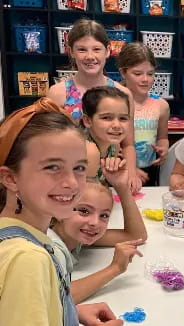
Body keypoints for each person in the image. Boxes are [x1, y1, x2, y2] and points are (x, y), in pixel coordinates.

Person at [0, 98, 122, 325]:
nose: (72, 183)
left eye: (79, 168)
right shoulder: (28, 260)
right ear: (10, 178)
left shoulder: (22, 236)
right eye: (52, 167)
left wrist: (66, 310)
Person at [46, 18, 141, 193]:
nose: (90, 56)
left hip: (106, 182)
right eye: (82, 49)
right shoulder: (58, 93)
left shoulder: (123, 94)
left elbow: (128, 143)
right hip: (66, 183)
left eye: (97, 49)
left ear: (108, 51)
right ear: (71, 52)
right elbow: (49, 145)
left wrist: (131, 173)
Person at [49, 171, 147, 303]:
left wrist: (122, 188)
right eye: (84, 211)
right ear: (59, 211)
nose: (95, 223)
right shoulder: (50, 249)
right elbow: (55, 299)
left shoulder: (74, 234)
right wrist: (115, 268)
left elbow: (136, 236)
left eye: (104, 215)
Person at [117, 42, 169, 186]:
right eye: (138, 74)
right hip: (118, 169)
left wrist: (163, 148)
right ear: (123, 72)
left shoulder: (161, 105)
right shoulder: (113, 103)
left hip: (149, 171)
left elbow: (162, 137)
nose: (145, 79)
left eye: (150, 74)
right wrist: (129, 169)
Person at [82, 86, 130, 186]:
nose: (117, 125)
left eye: (123, 118)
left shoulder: (114, 145)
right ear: (87, 121)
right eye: (106, 118)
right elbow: (86, 197)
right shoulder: (89, 151)